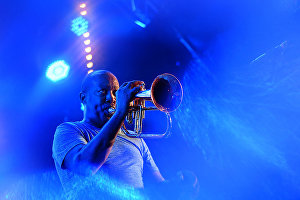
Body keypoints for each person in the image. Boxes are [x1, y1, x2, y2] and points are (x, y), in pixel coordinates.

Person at [52, 70, 166, 198]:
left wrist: (178, 185)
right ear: (83, 98)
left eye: (115, 93)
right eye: (102, 92)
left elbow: (158, 186)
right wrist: (120, 112)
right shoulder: (68, 130)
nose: (111, 98)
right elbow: (85, 167)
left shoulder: (135, 137)